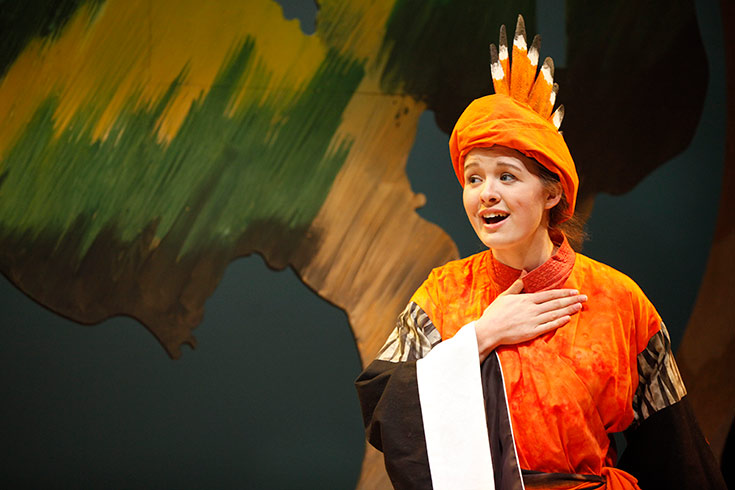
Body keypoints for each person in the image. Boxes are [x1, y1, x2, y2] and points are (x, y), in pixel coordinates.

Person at [355, 15, 726, 490]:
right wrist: (480, 337)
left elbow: (677, 454)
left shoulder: (619, 301)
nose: (486, 193)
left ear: (552, 193)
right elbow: (385, 408)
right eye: (474, 178)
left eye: (507, 176)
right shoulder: (443, 295)